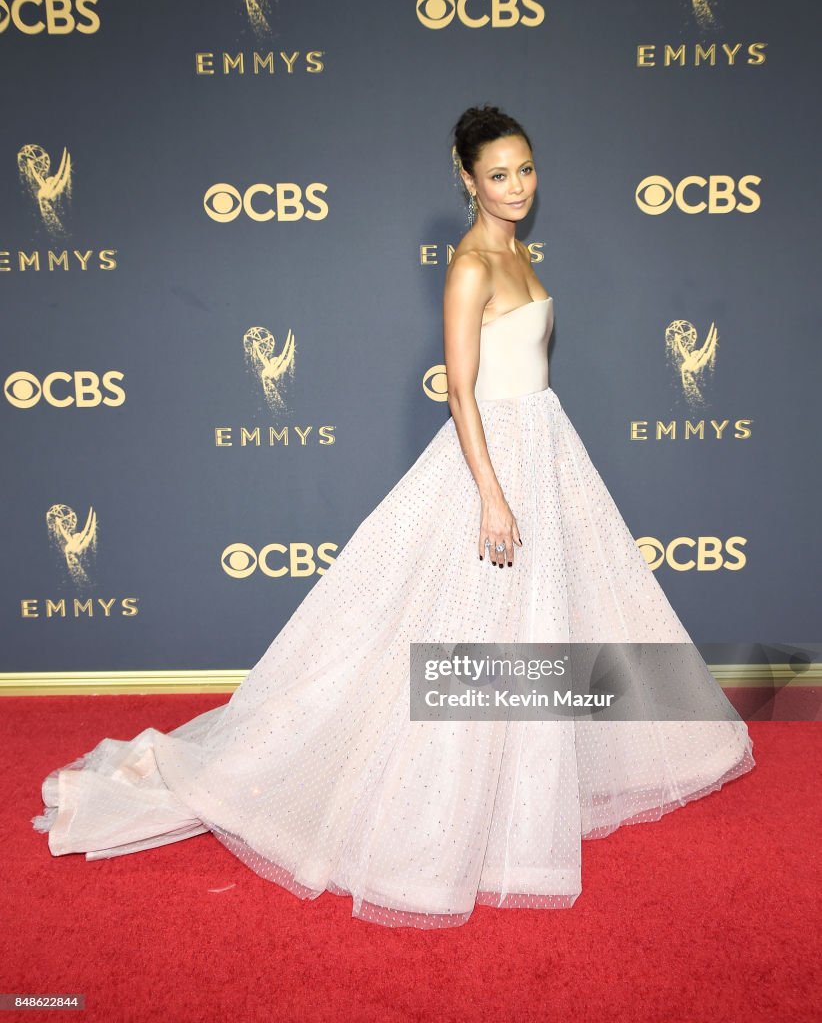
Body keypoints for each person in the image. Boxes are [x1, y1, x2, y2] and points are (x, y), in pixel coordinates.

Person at [32, 105, 755, 929]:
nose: (516, 187)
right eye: (498, 175)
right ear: (467, 178)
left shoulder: (517, 248)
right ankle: (433, 821)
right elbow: (460, 387)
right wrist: (490, 492)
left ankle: (522, 805)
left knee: (539, 628)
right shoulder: (471, 266)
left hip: (548, 448)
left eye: (526, 170)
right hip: (494, 464)